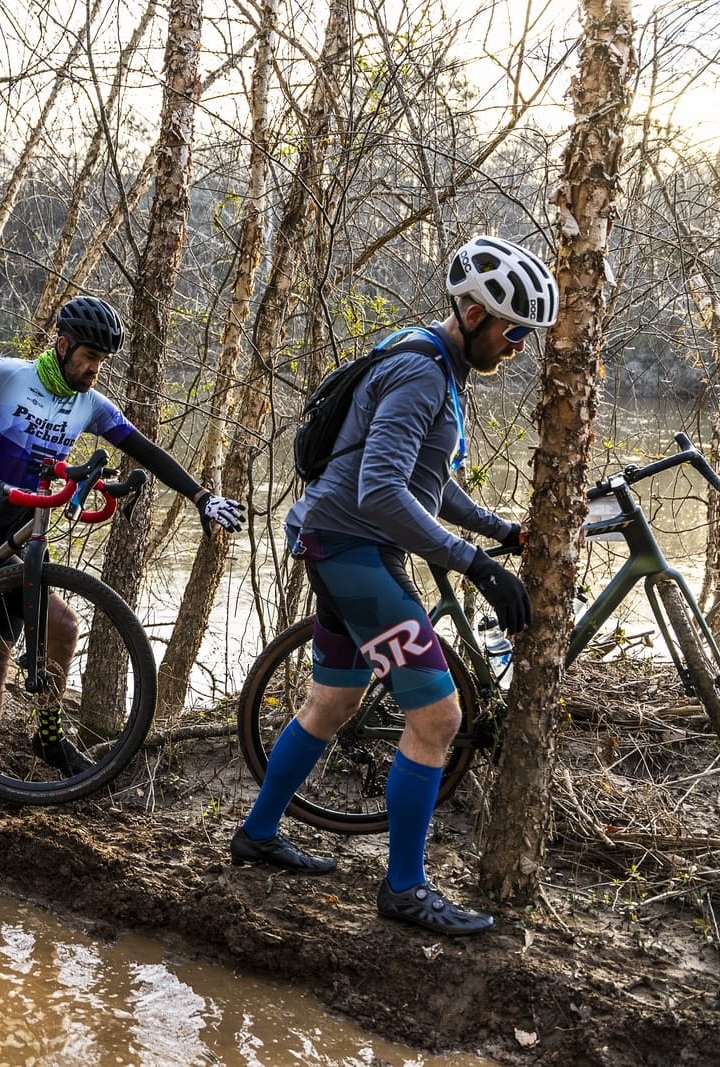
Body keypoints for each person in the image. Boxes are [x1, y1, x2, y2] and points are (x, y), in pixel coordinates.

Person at [229, 235, 556, 937]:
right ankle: (405, 887)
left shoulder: (428, 359)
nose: (520, 345)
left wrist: (499, 533)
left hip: (338, 542)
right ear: (472, 312)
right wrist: (474, 563)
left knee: (333, 700)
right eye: (514, 328)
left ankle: (257, 833)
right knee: (438, 719)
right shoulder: (422, 374)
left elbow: (426, 484)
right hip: (353, 549)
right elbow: (381, 491)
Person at [0, 295, 245, 796]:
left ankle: (17, 748)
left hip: (24, 527)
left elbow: (144, 451)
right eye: (89, 357)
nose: (95, 369)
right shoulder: (6, 374)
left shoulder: (91, 405)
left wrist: (200, 496)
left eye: (102, 361)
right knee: (4, 652)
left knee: (44, 635)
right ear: (63, 346)